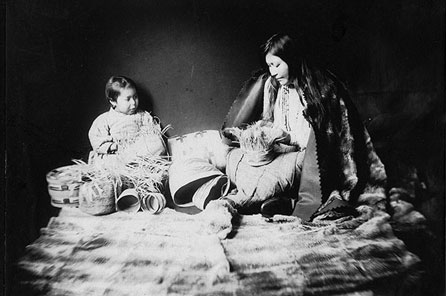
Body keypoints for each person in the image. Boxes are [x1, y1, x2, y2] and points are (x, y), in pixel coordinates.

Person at [221, 33, 387, 221]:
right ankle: (277, 198)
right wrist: (264, 133)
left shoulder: (322, 89)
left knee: (275, 176)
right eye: (269, 66)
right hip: (281, 152)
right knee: (232, 156)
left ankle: (282, 200)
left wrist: (286, 139)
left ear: (292, 60)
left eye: (277, 65)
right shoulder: (273, 86)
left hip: (308, 160)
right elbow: (271, 121)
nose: (273, 72)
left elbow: (325, 142)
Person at [88, 76, 167, 163]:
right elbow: (96, 139)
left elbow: (153, 133)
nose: (133, 102)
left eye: (135, 97)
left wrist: (143, 139)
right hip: (118, 154)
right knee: (102, 160)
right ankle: (127, 164)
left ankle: (136, 162)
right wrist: (113, 147)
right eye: (128, 99)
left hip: (138, 150)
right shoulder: (105, 119)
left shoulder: (143, 115)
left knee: (157, 144)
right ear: (113, 101)